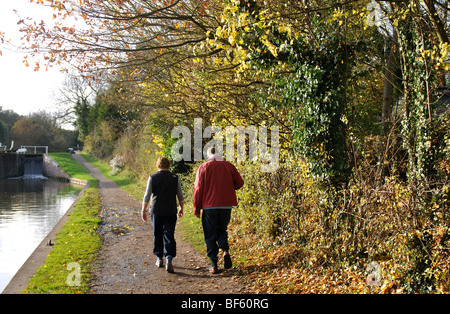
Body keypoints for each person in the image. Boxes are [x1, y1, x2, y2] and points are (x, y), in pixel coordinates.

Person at [193, 147, 244, 274]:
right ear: (219, 154)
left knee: (210, 235)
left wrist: (196, 208)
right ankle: (225, 251)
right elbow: (239, 183)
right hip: (226, 205)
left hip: (209, 206)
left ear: (208, 155)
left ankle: (214, 264)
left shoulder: (203, 167)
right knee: (222, 230)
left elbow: (198, 189)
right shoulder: (229, 166)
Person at [142, 156, 185, 273]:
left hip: (156, 210)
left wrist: (143, 210)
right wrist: (181, 208)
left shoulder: (153, 177)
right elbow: (180, 196)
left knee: (157, 233)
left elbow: (147, 195)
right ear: (169, 165)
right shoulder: (175, 178)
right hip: (171, 210)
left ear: (158, 165)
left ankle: (159, 258)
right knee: (169, 233)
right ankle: (169, 258)